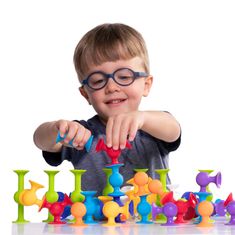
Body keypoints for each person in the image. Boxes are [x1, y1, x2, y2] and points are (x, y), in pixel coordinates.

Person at [33, 23, 181, 196]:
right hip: (97, 222)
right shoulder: (82, 135)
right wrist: (57, 129)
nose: (111, 87)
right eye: (97, 81)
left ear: (146, 85)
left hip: (155, 221)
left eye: (124, 76)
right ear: (85, 94)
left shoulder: (151, 126)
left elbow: (173, 131)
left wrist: (143, 118)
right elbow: (40, 140)